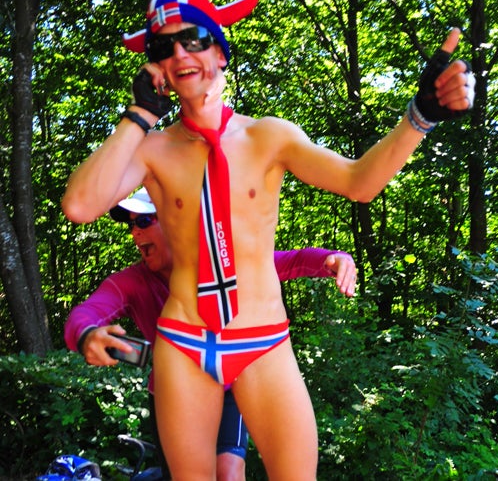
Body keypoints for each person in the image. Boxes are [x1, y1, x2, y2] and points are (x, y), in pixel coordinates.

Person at [61, 0, 474, 479]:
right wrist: (140, 115)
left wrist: (420, 115)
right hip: (183, 342)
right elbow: (81, 205)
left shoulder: (268, 136)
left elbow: (359, 183)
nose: (178, 54)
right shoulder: (151, 150)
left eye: (192, 39)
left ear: (219, 49)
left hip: (263, 342)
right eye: (161, 47)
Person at [64, 187, 357, 480]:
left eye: (143, 222)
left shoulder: (221, 266)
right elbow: (85, 313)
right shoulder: (132, 283)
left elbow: (288, 261)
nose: (135, 234)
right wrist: (87, 335)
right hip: (172, 394)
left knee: (228, 473)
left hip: (228, 385)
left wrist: (335, 258)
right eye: (131, 225)